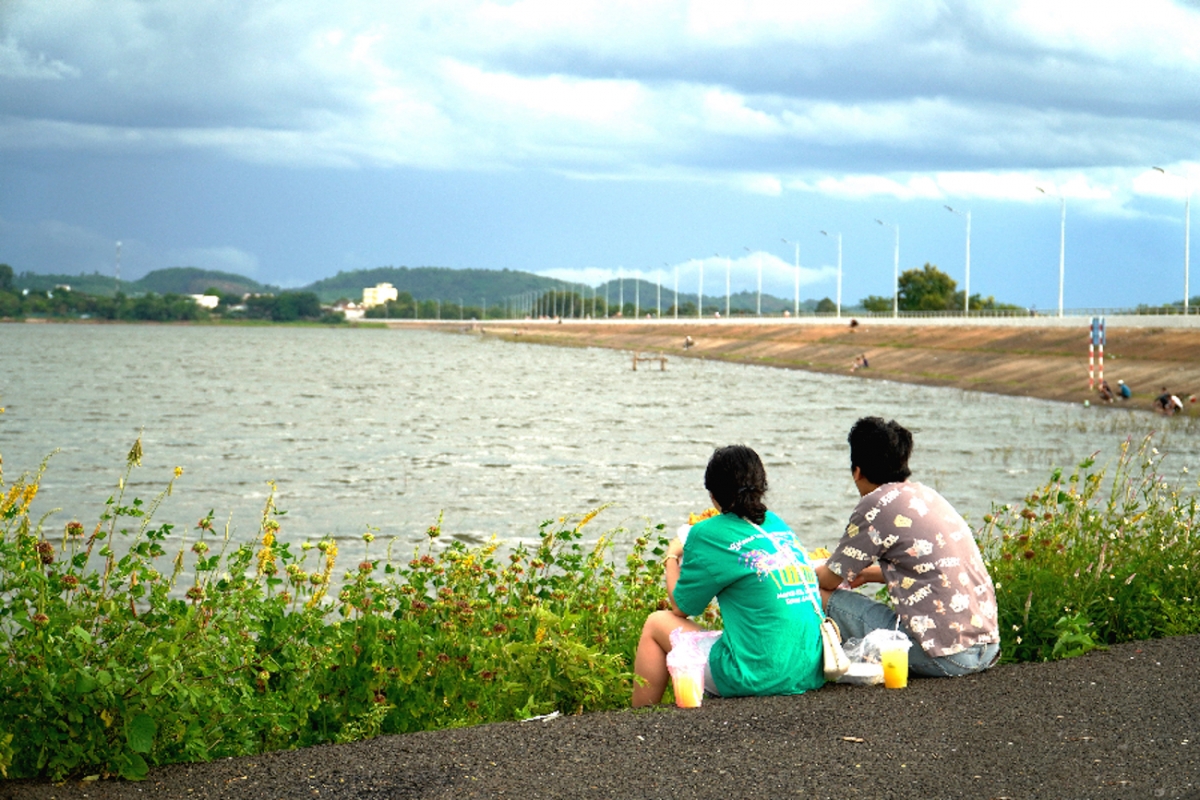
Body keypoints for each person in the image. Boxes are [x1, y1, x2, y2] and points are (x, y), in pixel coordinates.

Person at [632, 445, 825, 707]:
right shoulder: (775, 522)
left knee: (656, 623)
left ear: (712, 495)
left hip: (758, 676)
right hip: (810, 669)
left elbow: (682, 607)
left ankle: (641, 718)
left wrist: (671, 555)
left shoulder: (707, 532)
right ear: (762, 485)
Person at [815, 417, 1000, 678]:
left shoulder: (875, 506)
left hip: (946, 657)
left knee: (820, 597)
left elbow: (828, 579)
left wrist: (802, 569)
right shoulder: (926, 495)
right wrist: (867, 574)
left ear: (857, 471)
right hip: (987, 649)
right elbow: (931, 566)